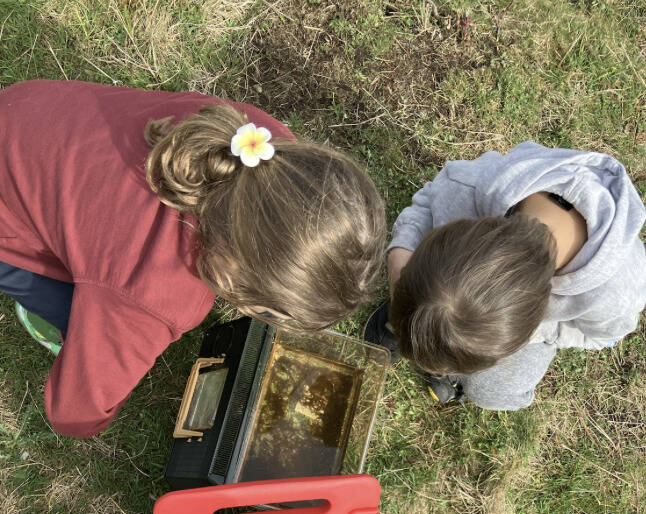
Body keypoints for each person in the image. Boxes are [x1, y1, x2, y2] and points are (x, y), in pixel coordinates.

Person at [0, 79, 385, 437]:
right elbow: (74, 414)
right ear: (237, 284)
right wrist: (94, 369)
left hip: (27, 109)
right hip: (9, 216)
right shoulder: (153, 296)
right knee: (82, 314)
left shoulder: (261, 147)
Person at [364, 142, 646, 409]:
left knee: (492, 391)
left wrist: (539, 333)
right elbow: (428, 200)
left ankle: (462, 370)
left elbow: (602, 338)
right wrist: (400, 253)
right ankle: (434, 322)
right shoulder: (467, 187)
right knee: (438, 319)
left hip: (532, 331)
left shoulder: (616, 294)